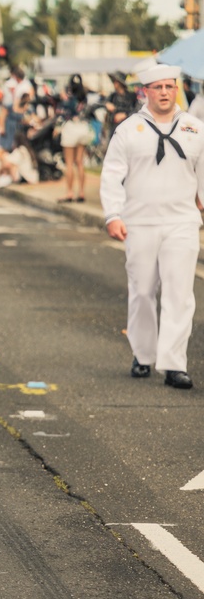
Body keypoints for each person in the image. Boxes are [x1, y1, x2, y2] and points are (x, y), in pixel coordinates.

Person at [101, 63, 204, 390]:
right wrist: (113, 215)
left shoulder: (194, 128)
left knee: (179, 294)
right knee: (143, 291)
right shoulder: (129, 129)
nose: (164, 92)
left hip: (182, 221)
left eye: (169, 86)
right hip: (140, 222)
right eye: (157, 87)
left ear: (176, 89)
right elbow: (111, 175)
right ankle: (143, 354)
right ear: (145, 91)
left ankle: (174, 364)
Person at [57, 74, 92, 202]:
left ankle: (69, 192)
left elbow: (62, 113)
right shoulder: (84, 98)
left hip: (71, 128)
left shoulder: (69, 99)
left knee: (69, 163)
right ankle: (81, 192)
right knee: (80, 162)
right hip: (83, 128)